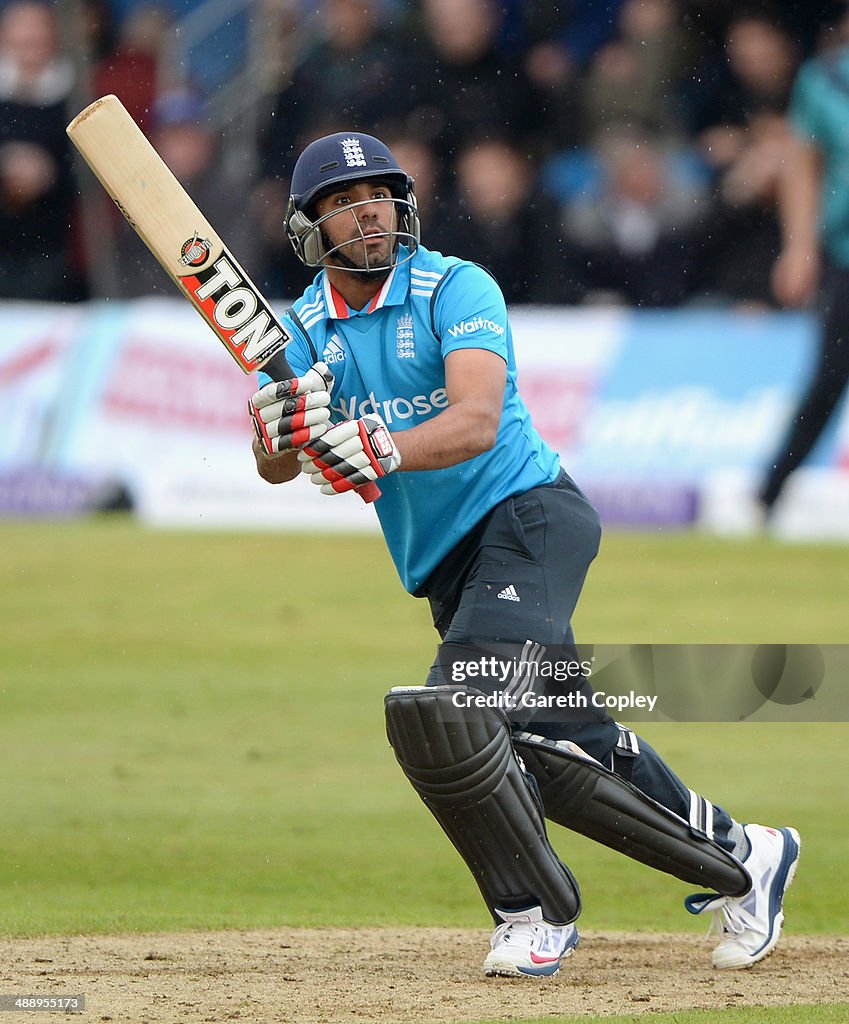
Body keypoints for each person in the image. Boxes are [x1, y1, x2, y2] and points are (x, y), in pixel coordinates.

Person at [248, 130, 801, 977]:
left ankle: (531, 912)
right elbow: (277, 463)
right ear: (308, 227)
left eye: (379, 197)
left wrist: (377, 444)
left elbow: (474, 418)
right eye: (343, 203)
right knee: (562, 741)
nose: (368, 214)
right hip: (446, 562)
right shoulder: (305, 329)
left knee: (450, 714)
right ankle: (744, 856)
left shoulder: (454, 284)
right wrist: (280, 429)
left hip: (529, 516)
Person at [760, 29, 849, 514]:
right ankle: (769, 491)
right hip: (844, 250)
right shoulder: (827, 77)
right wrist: (799, 248)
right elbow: (803, 165)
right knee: (829, 378)